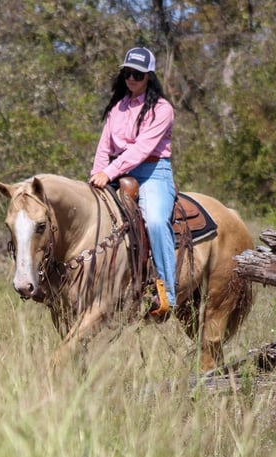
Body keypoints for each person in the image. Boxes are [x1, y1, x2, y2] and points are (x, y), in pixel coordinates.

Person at [88, 47, 176, 315]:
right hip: (117, 171)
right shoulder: (117, 107)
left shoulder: (162, 109)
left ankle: (167, 293)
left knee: (156, 222)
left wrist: (109, 173)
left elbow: (141, 149)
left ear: (149, 76)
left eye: (137, 74)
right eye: (127, 73)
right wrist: (97, 174)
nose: (131, 79)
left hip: (152, 172)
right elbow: (104, 146)